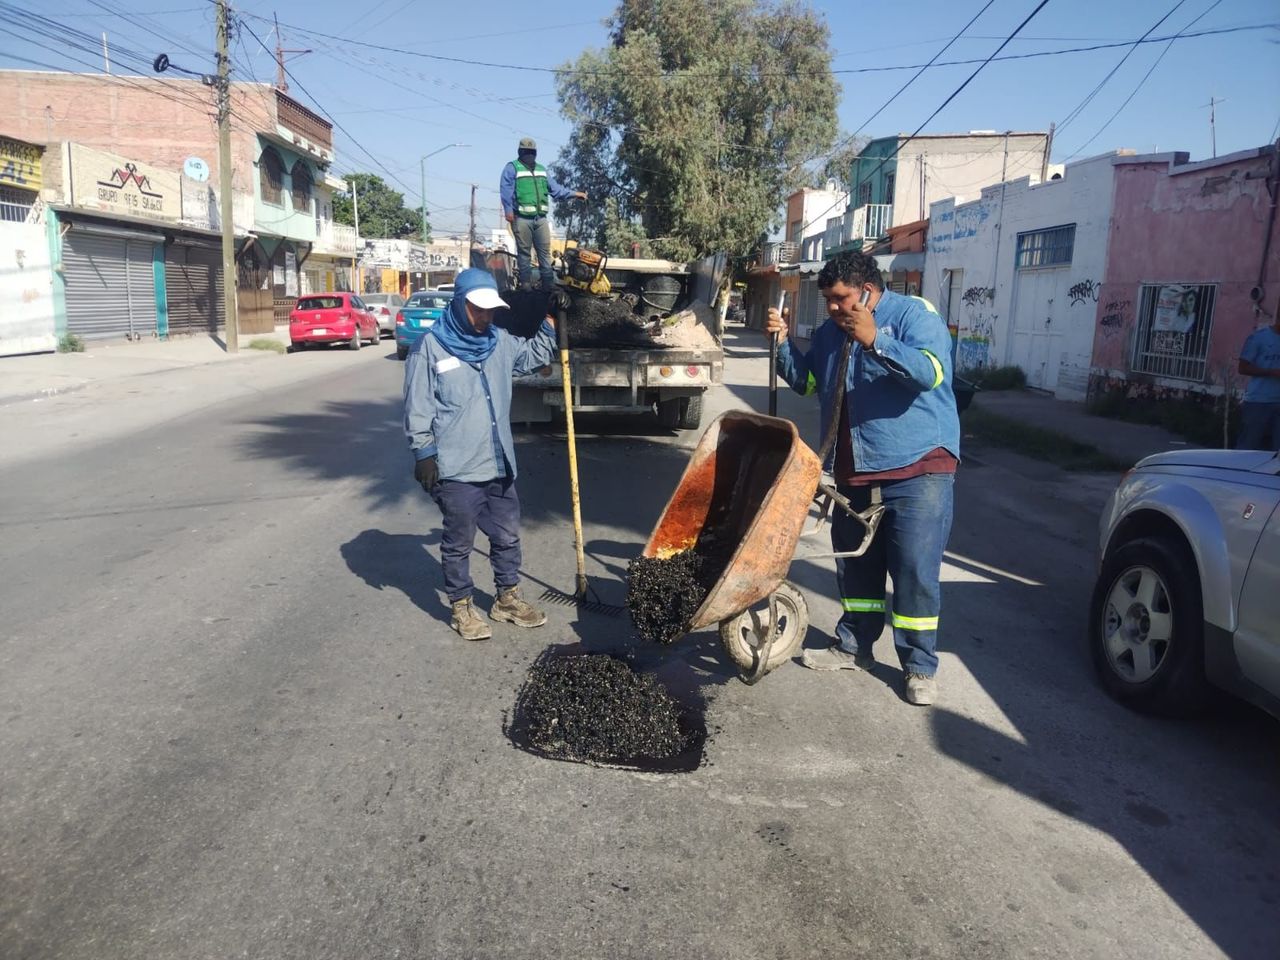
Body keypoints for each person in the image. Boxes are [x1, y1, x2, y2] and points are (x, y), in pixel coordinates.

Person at [767, 250, 961, 706]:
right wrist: (782, 345)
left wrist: (876, 341)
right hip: (853, 470)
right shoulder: (829, 333)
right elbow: (810, 384)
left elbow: (931, 373)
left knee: (913, 570)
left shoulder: (914, 315)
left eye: (841, 298)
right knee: (856, 567)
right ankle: (855, 647)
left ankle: (919, 665)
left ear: (868, 291)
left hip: (918, 466)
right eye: (828, 300)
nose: (833, 307)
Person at [404, 268, 561, 640]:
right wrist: (423, 452)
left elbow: (534, 355)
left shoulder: (499, 341)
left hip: (498, 463)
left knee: (507, 536)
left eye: (490, 310)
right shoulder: (430, 347)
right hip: (456, 468)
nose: (485, 317)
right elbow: (417, 405)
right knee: (459, 543)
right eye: (478, 309)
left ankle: (507, 599)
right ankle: (462, 606)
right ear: (460, 304)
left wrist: (551, 319)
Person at [499, 137, 586, 292]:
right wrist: (508, 210)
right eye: (526, 152)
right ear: (520, 152)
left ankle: (548, 283)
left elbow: (556, 190)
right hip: (522, 218)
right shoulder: (512, 168)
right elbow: (506, 189)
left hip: (540, 219)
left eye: (531, 152)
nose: (529, 155)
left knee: (544, 253)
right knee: (524, 253)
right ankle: (526, 285)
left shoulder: (541, 170)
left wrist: (575, 194)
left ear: (535, 153)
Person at [1237, 315, 1280, 451]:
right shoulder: (1259, 337)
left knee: (1275, 452)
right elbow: (1243, 367)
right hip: (1258, 401)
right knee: (1249, 447)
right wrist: (1271, 372)